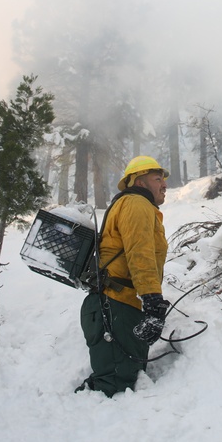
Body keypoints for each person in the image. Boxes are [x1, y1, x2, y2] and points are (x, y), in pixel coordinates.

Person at [77, 156, 170, 396]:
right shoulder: (136, 204)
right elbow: (140, 254)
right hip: (115, 307)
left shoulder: (137, 206)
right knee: (114, 388)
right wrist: (152, 300)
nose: (164, 184)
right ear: (139, 183)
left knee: (124, 377)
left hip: (119, 305)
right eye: (157, 178)